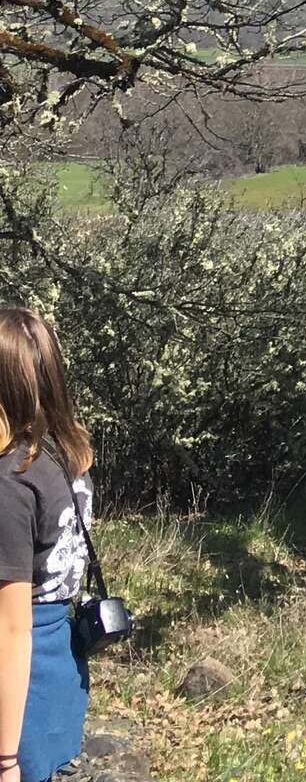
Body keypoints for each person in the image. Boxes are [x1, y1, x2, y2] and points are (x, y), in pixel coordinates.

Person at [0, 311, 94, 782]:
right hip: (63, 665)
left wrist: (6, 757)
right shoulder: (67, 453)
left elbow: (12, 630)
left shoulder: (10, 481)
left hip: (22, 687)